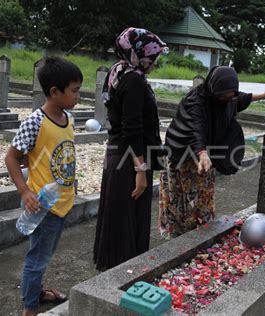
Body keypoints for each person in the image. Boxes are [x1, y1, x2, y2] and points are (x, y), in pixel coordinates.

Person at [5, 57, 82, 316]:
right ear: (54, 92)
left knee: (44, 255)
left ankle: (37, 292)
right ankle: (30, 309)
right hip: (42, 205)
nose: (78, 96)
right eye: (74, 90)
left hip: (62, 202)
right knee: (37, 259)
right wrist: (25, 191)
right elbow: (12, 157)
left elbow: (60, 156)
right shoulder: (35, 122)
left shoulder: (68, 119)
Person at [159, 66, 265, 239]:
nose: (226, 100)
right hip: (182, 154)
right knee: (180, 197)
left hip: (203, 155)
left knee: (203, 195)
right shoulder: (195, 101)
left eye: (230, 95)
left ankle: (200, 231)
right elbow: (196, 128)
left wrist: (264, 95)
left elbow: (239, 99)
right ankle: (177, 237)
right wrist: (202, 153)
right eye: (222, 96)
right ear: (212, 88)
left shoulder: (227, 98)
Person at [93, 27, 167, 271]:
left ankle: (115, 268)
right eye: (152, 55)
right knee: (125, 217)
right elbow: (131, 127)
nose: (155, 61)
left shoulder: (119, 70)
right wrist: (141, 170)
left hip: (118, 154)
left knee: (119, 215)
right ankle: (121, 273)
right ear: (139, 53)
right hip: (130, 158)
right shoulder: (133, 79)